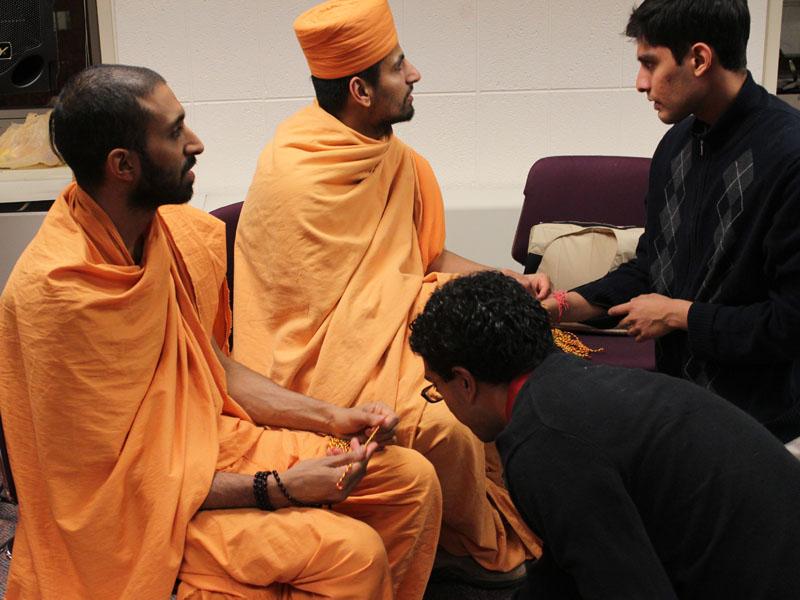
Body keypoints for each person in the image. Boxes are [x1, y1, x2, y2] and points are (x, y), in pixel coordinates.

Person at [0, 64, 442, 600]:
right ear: (123, 165)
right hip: (138, 516)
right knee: (354, 555)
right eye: (174, 132)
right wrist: (279, 489)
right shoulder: (58, 293)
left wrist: (334, 417)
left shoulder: (161, 235)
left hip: (208, 448)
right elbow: (112, 490)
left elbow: (214, 367)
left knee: (408, 482)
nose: (196, 143)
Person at [233, 0, 548, 584]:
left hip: (393, 328)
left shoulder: (396, 159)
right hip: (319, 364)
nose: (415, 74)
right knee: (449, 422)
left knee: (500, 368)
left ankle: (491, 516)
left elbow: (424, 258)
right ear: (360, 90)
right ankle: (470, 545)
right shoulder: (292, 174)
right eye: (399, 66)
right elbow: (298, 318)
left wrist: (505, 279)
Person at [410, 270, 800, 599]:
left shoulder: (544, 443)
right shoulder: (569, 388)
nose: (440, 398)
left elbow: (628, 589)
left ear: (464, 382)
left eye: (436, 388)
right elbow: (566, 565)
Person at [539, 0, 800, 445]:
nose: (640, 83)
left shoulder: (789, 156)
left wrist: (681, 316)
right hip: (680, 407)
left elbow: (789, 324)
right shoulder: (676, 147)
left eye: (650, 63)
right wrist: (562, 306)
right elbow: (652, 270)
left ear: (699, 59)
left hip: (761, 430)